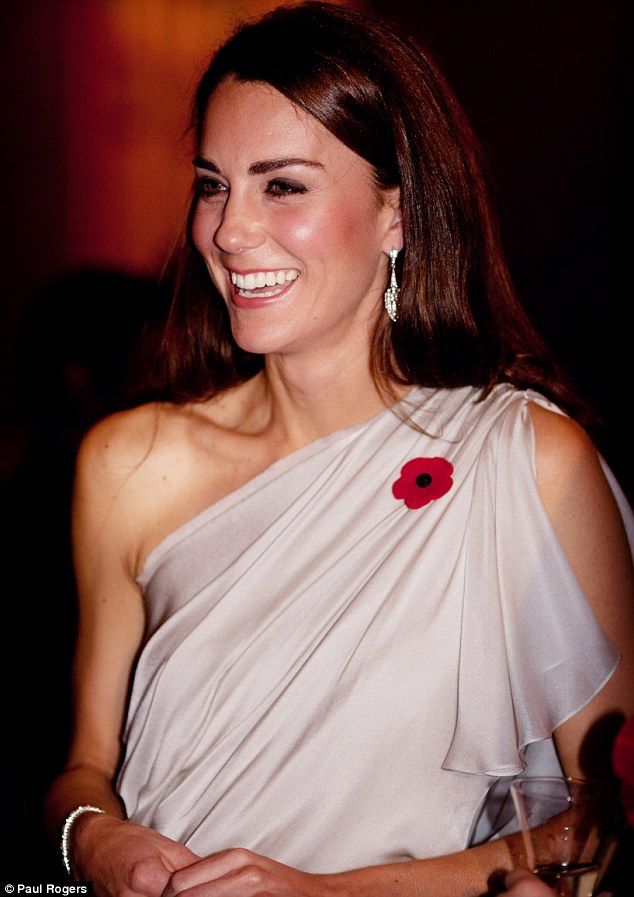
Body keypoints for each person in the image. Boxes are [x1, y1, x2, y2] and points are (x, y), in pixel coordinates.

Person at [45, 2, 634, 894]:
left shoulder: (526, 462)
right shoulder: (128, 462)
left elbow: (606, 816)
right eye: (213, 183)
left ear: (396, 212)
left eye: (282, 185)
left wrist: (326, 893)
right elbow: (84, 770)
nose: (230, 230)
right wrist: (94, 842)